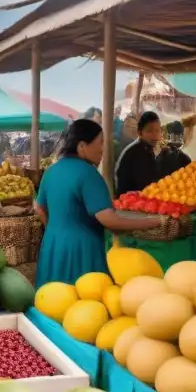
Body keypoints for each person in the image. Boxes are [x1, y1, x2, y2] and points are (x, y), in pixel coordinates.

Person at [36, 120, 164, 286]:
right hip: (81, 251)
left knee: (49, 301)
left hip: (52, 246)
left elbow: (39, 208)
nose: (103, 149)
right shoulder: (88, 174)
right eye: (100, 142)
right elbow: (109, 220)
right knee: (84, 302)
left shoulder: (51, 171)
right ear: (82, 146)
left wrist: (57, 230)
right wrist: (154, 222)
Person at [115, 111, 164, 195]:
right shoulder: (132, 153)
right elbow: (123, 189)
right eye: (150, 131)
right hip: (131, 203)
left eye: (157, 130)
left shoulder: (150, 150)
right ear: (140, 132)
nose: (155, 135)